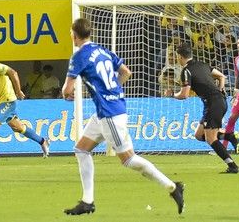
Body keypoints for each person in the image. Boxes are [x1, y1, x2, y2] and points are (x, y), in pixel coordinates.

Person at [63, 18, 183, 216]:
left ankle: (172, 187)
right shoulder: (103, 51)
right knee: (81, 149)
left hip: (110, 114)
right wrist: (113, 90)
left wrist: (67, 93)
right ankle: (87, 201)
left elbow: (67, 89)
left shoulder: (79, 56)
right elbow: (126, 72)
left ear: (74, 35)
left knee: (129, 160)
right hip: (107, 110)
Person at [172, 42, 237, 174]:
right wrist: (221, 89)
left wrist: (172, 94)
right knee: (199, 135)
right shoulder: (202, 64)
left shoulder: (186, 71)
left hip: (213, 104)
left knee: (210, 138)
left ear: (180, 56)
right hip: (217, 102)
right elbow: (221, 76)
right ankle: (229, 136)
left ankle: (233, 166)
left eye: (177, 56)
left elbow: (184, 95)